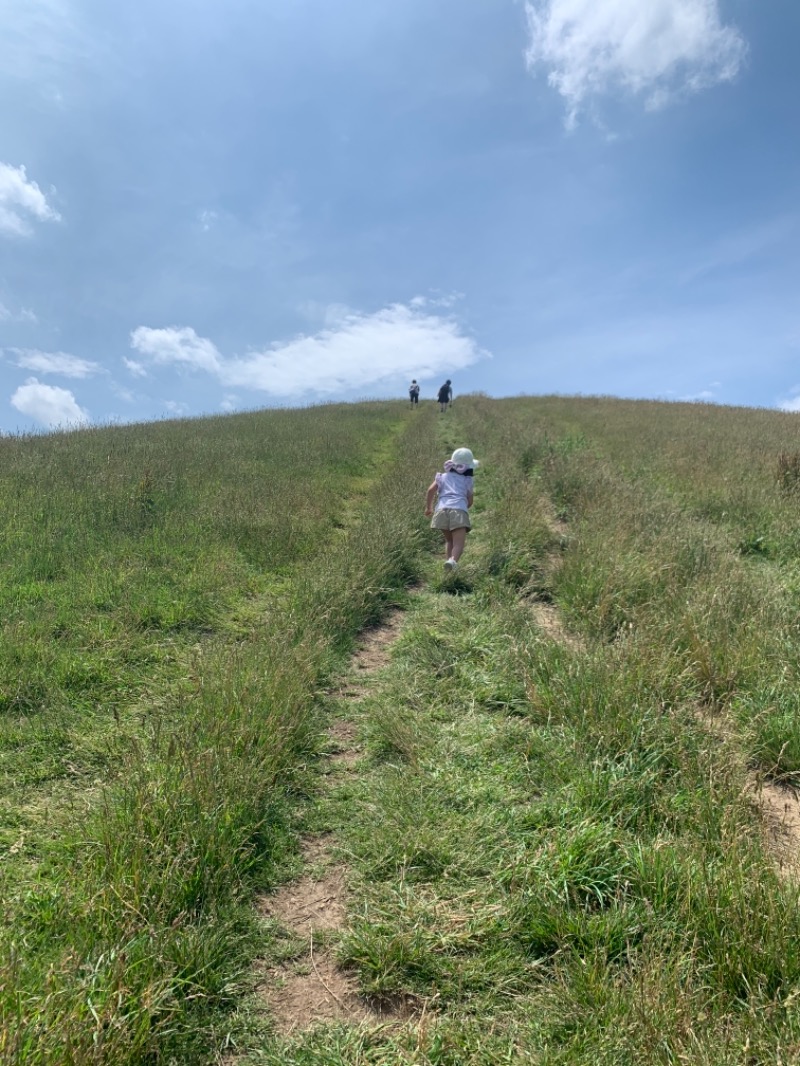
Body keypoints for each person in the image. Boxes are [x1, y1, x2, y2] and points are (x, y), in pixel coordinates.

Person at [424, 447, 479, 572]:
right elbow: (470, 501)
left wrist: (429, 507)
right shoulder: (467, 480)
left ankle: (449, 568)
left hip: (441, 511)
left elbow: (430, 490)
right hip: (458, 510)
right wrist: (463, 509)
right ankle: (452, 561)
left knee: (449, 540)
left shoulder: (442, 476)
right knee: (459, 543)